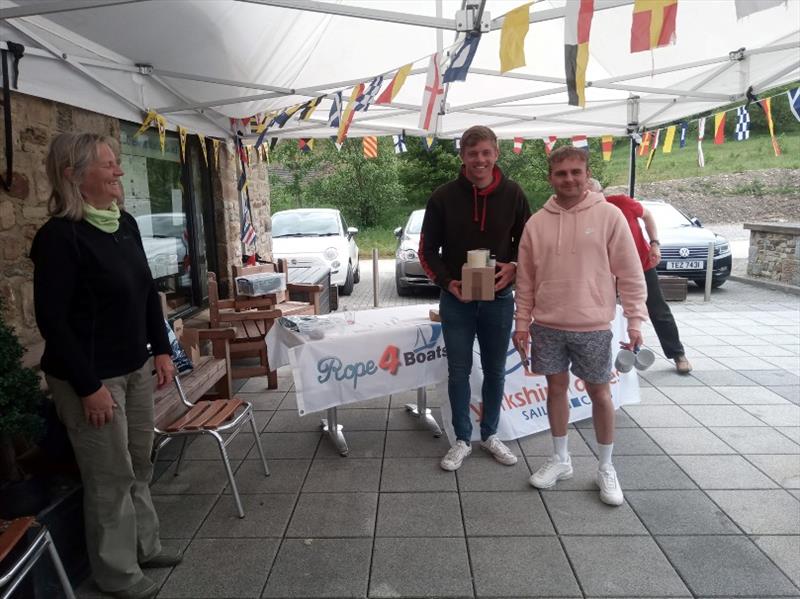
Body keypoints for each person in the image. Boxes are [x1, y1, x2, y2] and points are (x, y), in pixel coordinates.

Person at [31, 133, 179, 599]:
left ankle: (144, 545)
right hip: (92, 379)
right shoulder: (59, 237)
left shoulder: (125, 223)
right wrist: (87, 385)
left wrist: (161, 348)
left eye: (117, 163)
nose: (119, 172)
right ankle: (116, 574)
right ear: (75, 175)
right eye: (108, 165)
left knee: (138, 460)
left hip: (135, 367)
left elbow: (145, 293)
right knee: (109, 475)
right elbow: (52, 320)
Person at [512, 146, 647, 506]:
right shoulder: (536, 224)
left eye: (576, 172)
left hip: (593, 325)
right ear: (550, 178)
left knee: (600, 394)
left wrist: (635, 319)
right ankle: (561, 459)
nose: (569, 179)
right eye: (561, 173)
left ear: (587, 175)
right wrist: (522, 323)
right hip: (547, 325)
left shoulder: (609, 216)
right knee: (555, 391)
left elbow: (631, 274)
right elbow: (524, 280)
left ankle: (606, 467)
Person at [419, 125, 532, 471]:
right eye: (472, 154)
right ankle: (463, 439)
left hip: (499, 299)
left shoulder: (514, 194)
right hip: (457, 301)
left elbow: (527, 245)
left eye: (485, 153)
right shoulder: (442, 196)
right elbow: (427, 251)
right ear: (462, 157)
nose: (479, 160)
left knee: (496, 371)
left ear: (496, 153)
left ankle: (492, 433)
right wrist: (447, 282)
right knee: (459, 371)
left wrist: (514, 266)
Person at [587, 178, 692, 374]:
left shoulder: (621, 202)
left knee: (658, 309)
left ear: (602, 192)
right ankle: (605, 361)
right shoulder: (586, 215)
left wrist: (654, 243)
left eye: (596, 196)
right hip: (606, 271)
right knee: (601, 314)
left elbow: (648, 216)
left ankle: (678, 353)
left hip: (640, 264)